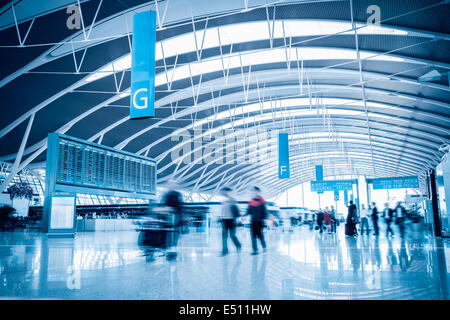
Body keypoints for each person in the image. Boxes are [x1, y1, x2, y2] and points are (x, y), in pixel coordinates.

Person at [219, 187, 242, 256]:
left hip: (232, 220)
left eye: (224, 191)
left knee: (232, 235)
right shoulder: (223, 201)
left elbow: (236, 211)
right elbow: (223, 211)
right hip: (224, 220)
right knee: (224, 236)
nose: (223, 193)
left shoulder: (232, 200)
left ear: (228, 192)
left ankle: (238, 245)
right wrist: (221, 217)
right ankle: (225, 250)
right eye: (222, 191)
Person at [246, 186, 268, 255]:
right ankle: (255, 250)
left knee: (260, 235)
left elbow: (264, 211)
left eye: (255, 191)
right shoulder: (251, 201)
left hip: (259, 221)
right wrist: (245, 214)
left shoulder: (262, 201)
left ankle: (264, 247)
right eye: (252, 191)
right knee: (253, 235)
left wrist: (264, 219)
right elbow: (249, 211)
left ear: (258, 192)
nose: (253, 192)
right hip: (253, 221)